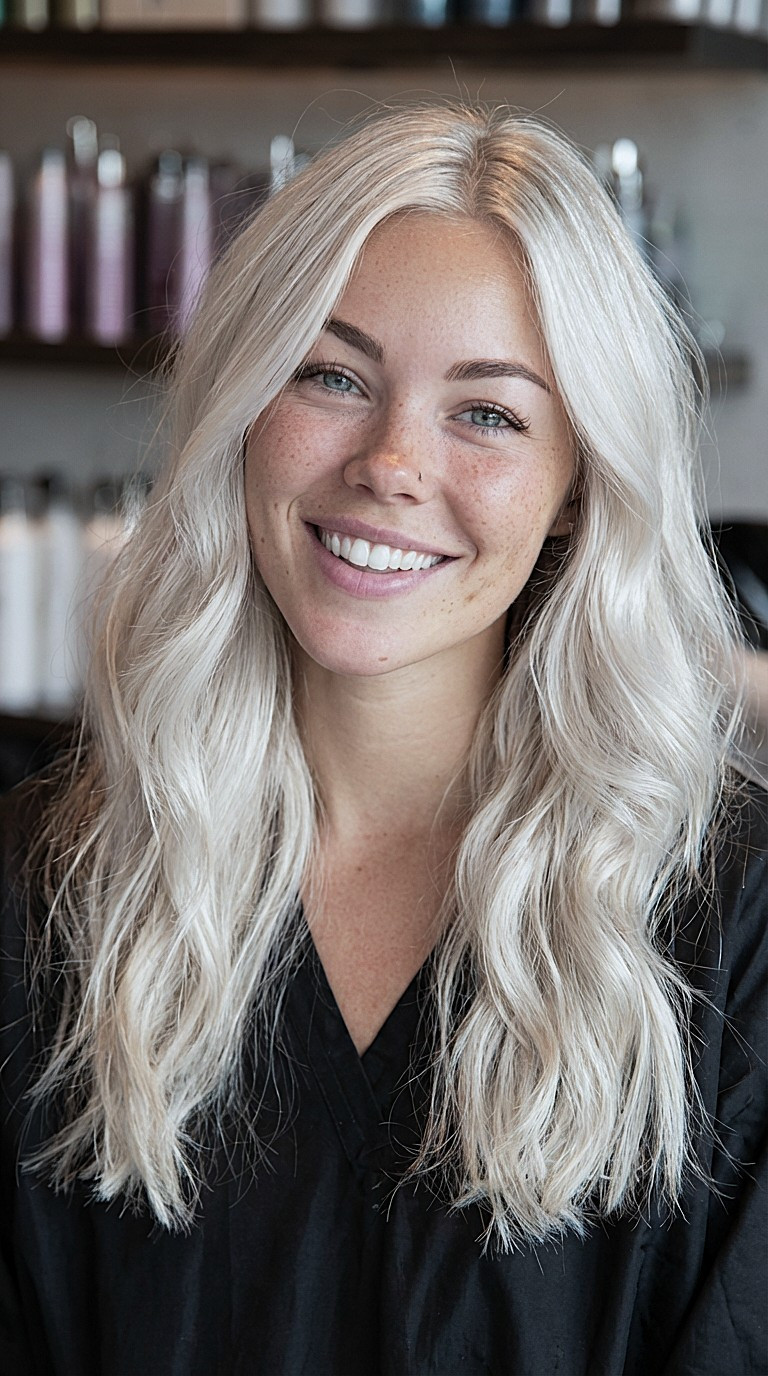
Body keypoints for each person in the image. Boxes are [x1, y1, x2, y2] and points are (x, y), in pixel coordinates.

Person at [1, 102, 765, 1376]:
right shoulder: (47, 888)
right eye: (333, 375)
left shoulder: (728, 931)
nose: (393, 464)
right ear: (246, 405)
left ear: (578, 484)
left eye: (490, 414)